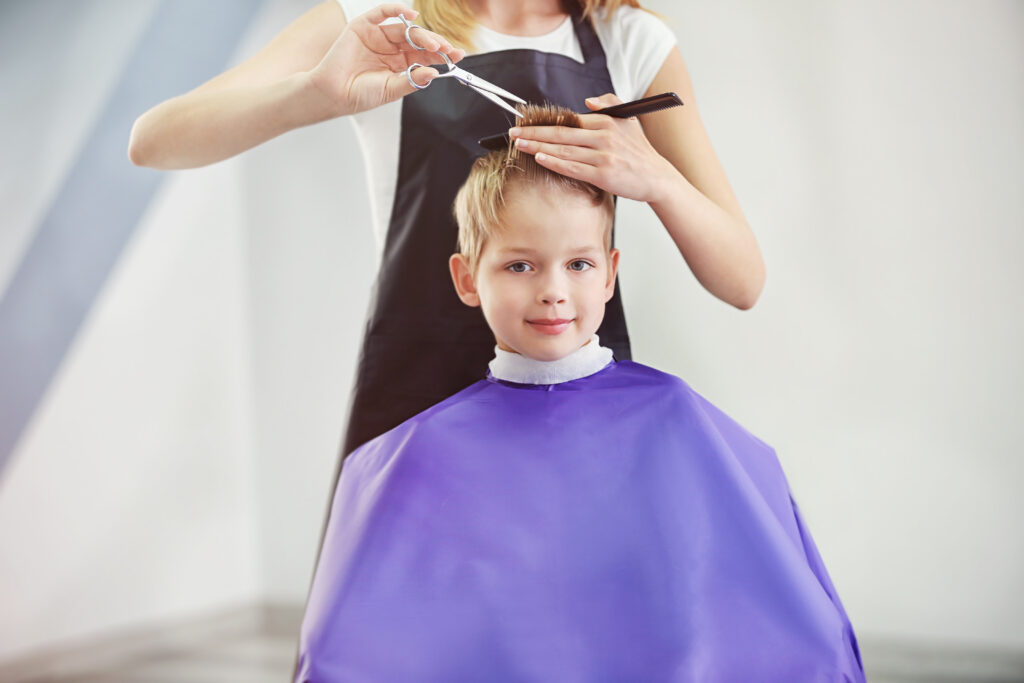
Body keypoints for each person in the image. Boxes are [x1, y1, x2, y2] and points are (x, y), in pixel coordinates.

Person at [294, 103, 864, 682]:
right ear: (468, 278)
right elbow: (346, 654)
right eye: (520, 266)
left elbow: (801, 638)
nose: (553, 292)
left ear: (610, 273)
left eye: (579, 264)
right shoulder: (403, 462)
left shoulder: (682, 425)